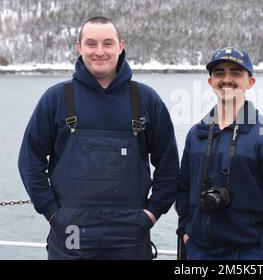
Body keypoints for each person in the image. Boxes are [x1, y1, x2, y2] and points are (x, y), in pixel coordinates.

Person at [18, 16, 179, 260]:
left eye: (108, 43)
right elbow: (30, 161)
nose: (99, 51)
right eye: (91, 44)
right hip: (70, 232)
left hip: (130, 235)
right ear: (79, 47)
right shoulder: (56, 98)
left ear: (120, 46)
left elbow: (168, 166)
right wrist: (53, 213)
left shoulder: (146, 99)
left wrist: (152, 213)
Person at [176, 47, 263, 260]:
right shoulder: (196, 135)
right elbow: (183, 188)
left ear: (250, 82)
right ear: (210, 82)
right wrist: (186, 231)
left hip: (247, 253)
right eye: (219, 73)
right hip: (198, 250)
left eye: (235, 73)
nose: (227, 79)